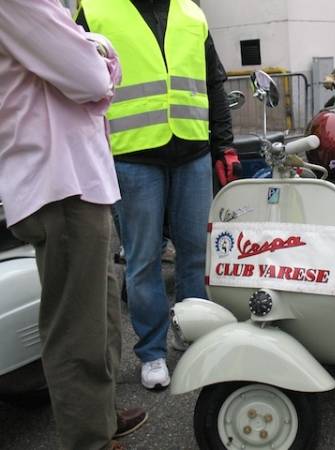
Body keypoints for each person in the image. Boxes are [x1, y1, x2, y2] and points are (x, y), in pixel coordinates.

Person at [0, 1, 146, 449]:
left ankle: (97, 416)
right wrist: (98, 54)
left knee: (99, 313)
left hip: (77, 180)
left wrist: (92, 52)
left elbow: (88, 70)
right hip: (58, 182)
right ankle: (89, 438)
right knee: (76, 326)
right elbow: (90, 78)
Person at [76, 0, 237, 390]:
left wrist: (224, 146)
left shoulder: (192, 13)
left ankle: (190, 330)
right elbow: (76, 82)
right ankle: (151, 352)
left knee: (195, 252)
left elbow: (213, 83)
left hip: (193, 151)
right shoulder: (96, 11)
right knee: (143, 258)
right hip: (133, 155)